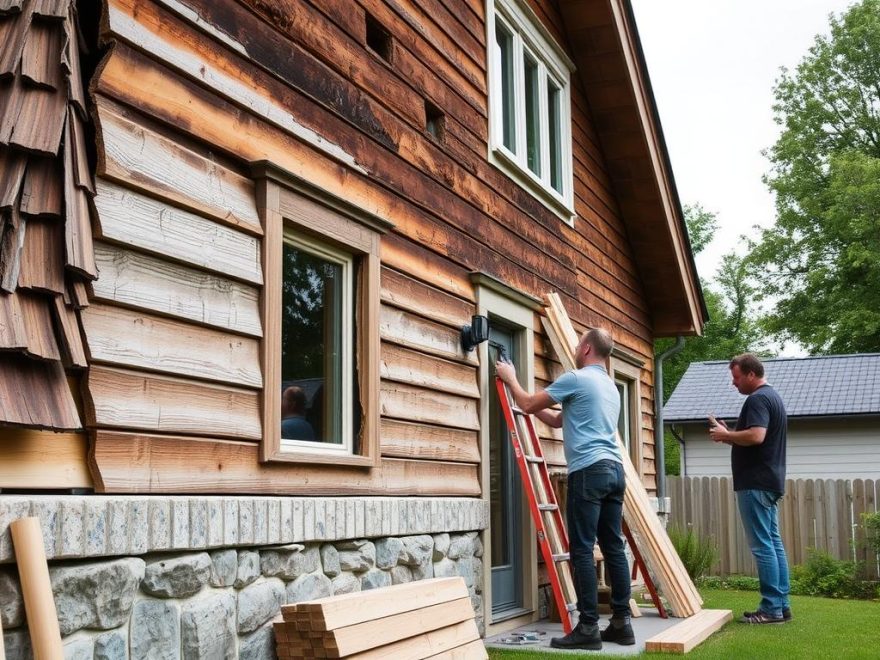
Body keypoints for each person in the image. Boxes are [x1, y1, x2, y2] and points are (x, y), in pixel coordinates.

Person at [496, 328, 633, 650]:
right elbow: (558, 420)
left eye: (577, 344)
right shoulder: (610, 387)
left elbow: (529, 403)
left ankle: (587, 628)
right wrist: (525, 404)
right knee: (613, 546)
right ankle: (621, 623)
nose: (574, 348)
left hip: (589, 471)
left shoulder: (577, 378)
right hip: (614, 471)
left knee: (582, 548)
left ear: (586, 349)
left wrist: (511, 378)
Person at [709, 353, 791, 624]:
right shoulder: (773, 397)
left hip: (755, 482)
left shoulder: (757, 399)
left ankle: (771, 609)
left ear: (750, 374)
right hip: (769, 480)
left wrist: (727, 435)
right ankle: (782, 604)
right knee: (774, 543)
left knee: (763, 546)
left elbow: (757, 436)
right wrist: (730, 435)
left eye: (736, 377)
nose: (734, 383)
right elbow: (756, 439)